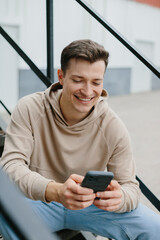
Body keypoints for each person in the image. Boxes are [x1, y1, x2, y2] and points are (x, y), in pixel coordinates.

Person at [0, 39, 160, 240]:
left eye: (96, 82)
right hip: (39, 201)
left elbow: (131, 188)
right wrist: (56, 191)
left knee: (155, 228)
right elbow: (10, 167)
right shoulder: (30, 108)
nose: (88, 90)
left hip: (89, 206)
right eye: (78, 80)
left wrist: (119, 198)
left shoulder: (113, 126)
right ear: (61, 76)